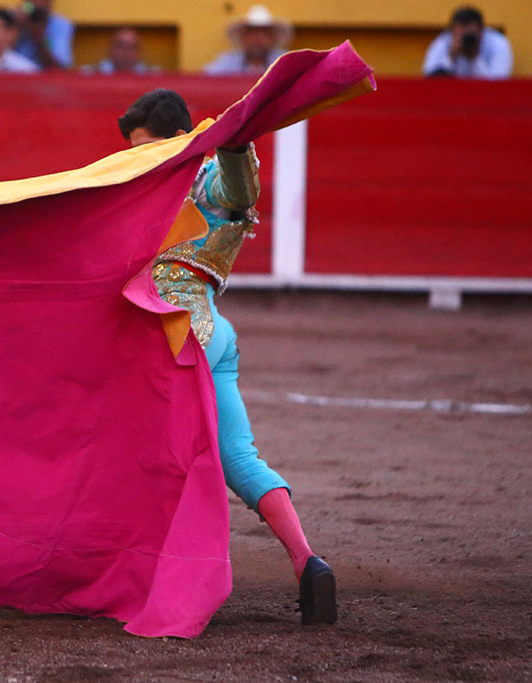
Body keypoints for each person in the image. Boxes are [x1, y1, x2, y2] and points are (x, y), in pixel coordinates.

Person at [118, 89, 337, 625]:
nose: (136, 158)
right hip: (213, 331)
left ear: (176, 139)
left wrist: (237, 145)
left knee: (129, 450)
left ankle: (157, 574)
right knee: (237, 457)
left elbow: (237, 189)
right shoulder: (149, 179)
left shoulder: (203, 174)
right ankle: (307, 562)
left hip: (172, 333)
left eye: (144, 148)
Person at [423, 6, 512, 79]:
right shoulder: (443, 42)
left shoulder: (497, 42)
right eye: (460, 31)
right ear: (452, 30)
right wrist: (450, 57)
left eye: (469, 33)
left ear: (481, 30)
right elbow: (430, 79)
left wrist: (475, 58)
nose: (465, 38)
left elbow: (499, 81)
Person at [203, 4, 291, 76]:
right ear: (242, 37)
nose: (257, 39)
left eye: (264, 33)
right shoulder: (227, 62)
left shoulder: (286, 62)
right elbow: (206, 80)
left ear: (273, 38)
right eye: (251, 33)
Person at [12, 0, 72, 69]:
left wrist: (39, 39)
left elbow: (59, 68)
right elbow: (0, 59)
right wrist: (16, 30)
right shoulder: (13, 21)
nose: (36, 4)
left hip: (44, 76)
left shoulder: (59, 24)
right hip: (15, 73)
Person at [82, 27, 159, 75]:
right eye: (120, 46)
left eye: (131, 47)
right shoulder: (90, 74)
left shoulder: (153, 75)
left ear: (140, 52)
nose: (126, 53)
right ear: (110, 49)